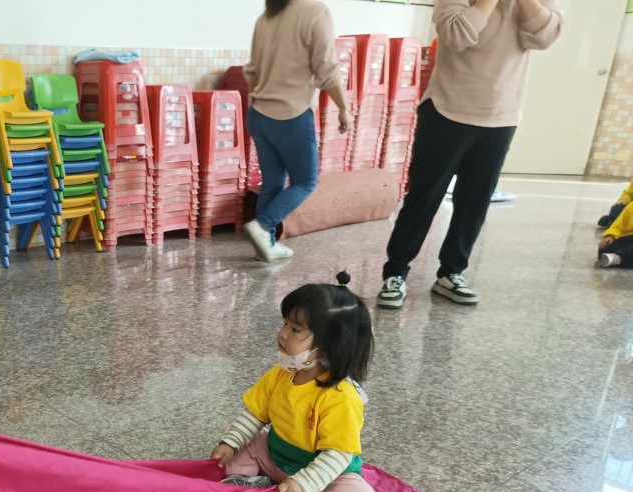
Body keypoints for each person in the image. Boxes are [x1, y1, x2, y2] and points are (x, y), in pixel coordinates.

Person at [377, 0, 564, 309]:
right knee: (424, 197)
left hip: (502, 113)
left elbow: (546, 36)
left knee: (474, 202)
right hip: (447, 108)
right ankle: (395, 272)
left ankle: (451, 272)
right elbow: (456, 35)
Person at [210, 272, 377, 492]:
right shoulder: (280, 374)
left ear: (330, 345)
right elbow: (255, 414)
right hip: (276, 457)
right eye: (285, 324)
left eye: (296, 329)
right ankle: (253, 486)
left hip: (326, 475)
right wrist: (230, 443)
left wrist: (304, 484)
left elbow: (338, 454)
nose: (282, 334)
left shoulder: (341, 397)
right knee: (247, 444)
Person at [242, 0, 350, 264]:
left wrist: (258, 101)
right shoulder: (315, 12)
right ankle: (264, 226)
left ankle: (266, 245)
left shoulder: (266, 17)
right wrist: (344, 107)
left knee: (273, 182)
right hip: (290, 114)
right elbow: (326, 69)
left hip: (259, 113)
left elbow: (252, 71)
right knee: (305, 181)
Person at [597, 202, 633, 269]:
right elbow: (618, 225)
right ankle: (620, 256)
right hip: (630, 237)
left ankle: (618, 258)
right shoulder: (631, 206)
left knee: (630, 250)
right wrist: (610, 235)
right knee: (605, 247)